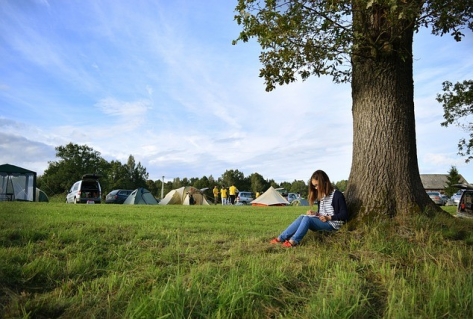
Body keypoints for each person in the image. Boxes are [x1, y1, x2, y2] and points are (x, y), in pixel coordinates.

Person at [270, 170, 348, 247]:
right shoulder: (321, 196)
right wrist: (315, 214)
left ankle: (293, 241)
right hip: (324, 222)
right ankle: (280, 238)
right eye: (314, 186)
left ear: (324, 182)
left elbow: (344, 214)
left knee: (307, 219)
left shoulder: (337, 195)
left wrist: (328, 217)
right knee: (302, 217)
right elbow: (322, 213)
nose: (316, 188)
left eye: (317, 185)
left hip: (333, 225)